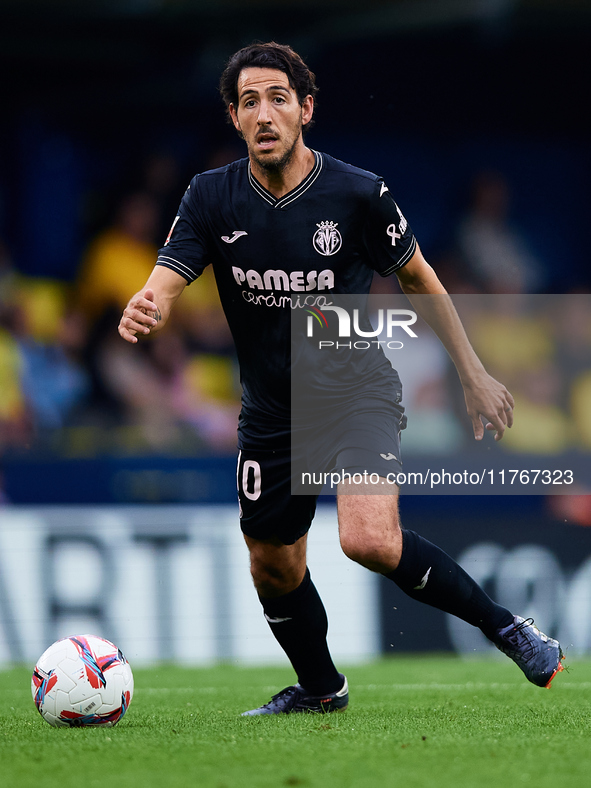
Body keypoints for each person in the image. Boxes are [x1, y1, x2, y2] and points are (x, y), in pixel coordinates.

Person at [118, 42, 564, 714]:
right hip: (271, 409)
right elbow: (169, 272)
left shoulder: (356, 192)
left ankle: (506, 626)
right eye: (248, 102)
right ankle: (322, 689)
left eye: (276, 98)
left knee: (367, 538)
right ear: (234, 119)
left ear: (305, 109)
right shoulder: (211, 196)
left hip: (357, 391)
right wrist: (150, 302)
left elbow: (418, 278)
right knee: (273, 566)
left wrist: (472, 373)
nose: (263, 113)